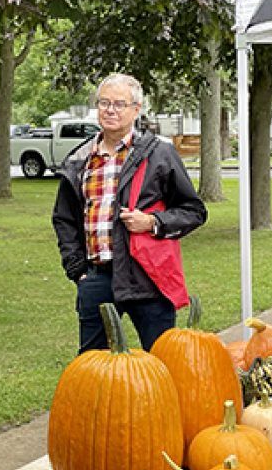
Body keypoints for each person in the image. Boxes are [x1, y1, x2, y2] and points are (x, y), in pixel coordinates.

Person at [52, 73, 207, 352]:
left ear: (136, 110)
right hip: (97, 278)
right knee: (93, 365)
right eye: (104, 102)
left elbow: (193, 211)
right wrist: (78, 271)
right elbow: (64, 219)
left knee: (161, 359)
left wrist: (153, 222)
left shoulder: (159, 153)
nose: (110, 110)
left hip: (146, 276)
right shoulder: (80, 159)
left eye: (119, 104)